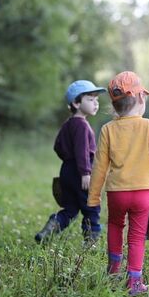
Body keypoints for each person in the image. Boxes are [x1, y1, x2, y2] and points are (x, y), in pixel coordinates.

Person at [88, 71, 149, 296]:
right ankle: (134, 282)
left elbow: (99, 168)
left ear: (115, 105)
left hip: (117, 193)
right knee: (137, 234)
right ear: (141, 98)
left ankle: (113, 272)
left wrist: (94, 198)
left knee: (115, 226)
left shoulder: (107, 129)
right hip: (143, 193)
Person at [35, 80, 106, 244]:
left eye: (97, 100)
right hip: (82, 172)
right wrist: (85, 172)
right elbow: (82, 151)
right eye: (90, 99)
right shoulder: (82, 125)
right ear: (76, 102)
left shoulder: (68, 125)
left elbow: (57, 146)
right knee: (91, 207)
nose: (95, 103)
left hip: (67, 170)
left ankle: (51, 227)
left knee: (71, 209)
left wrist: (68, 161)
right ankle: (91, 241)